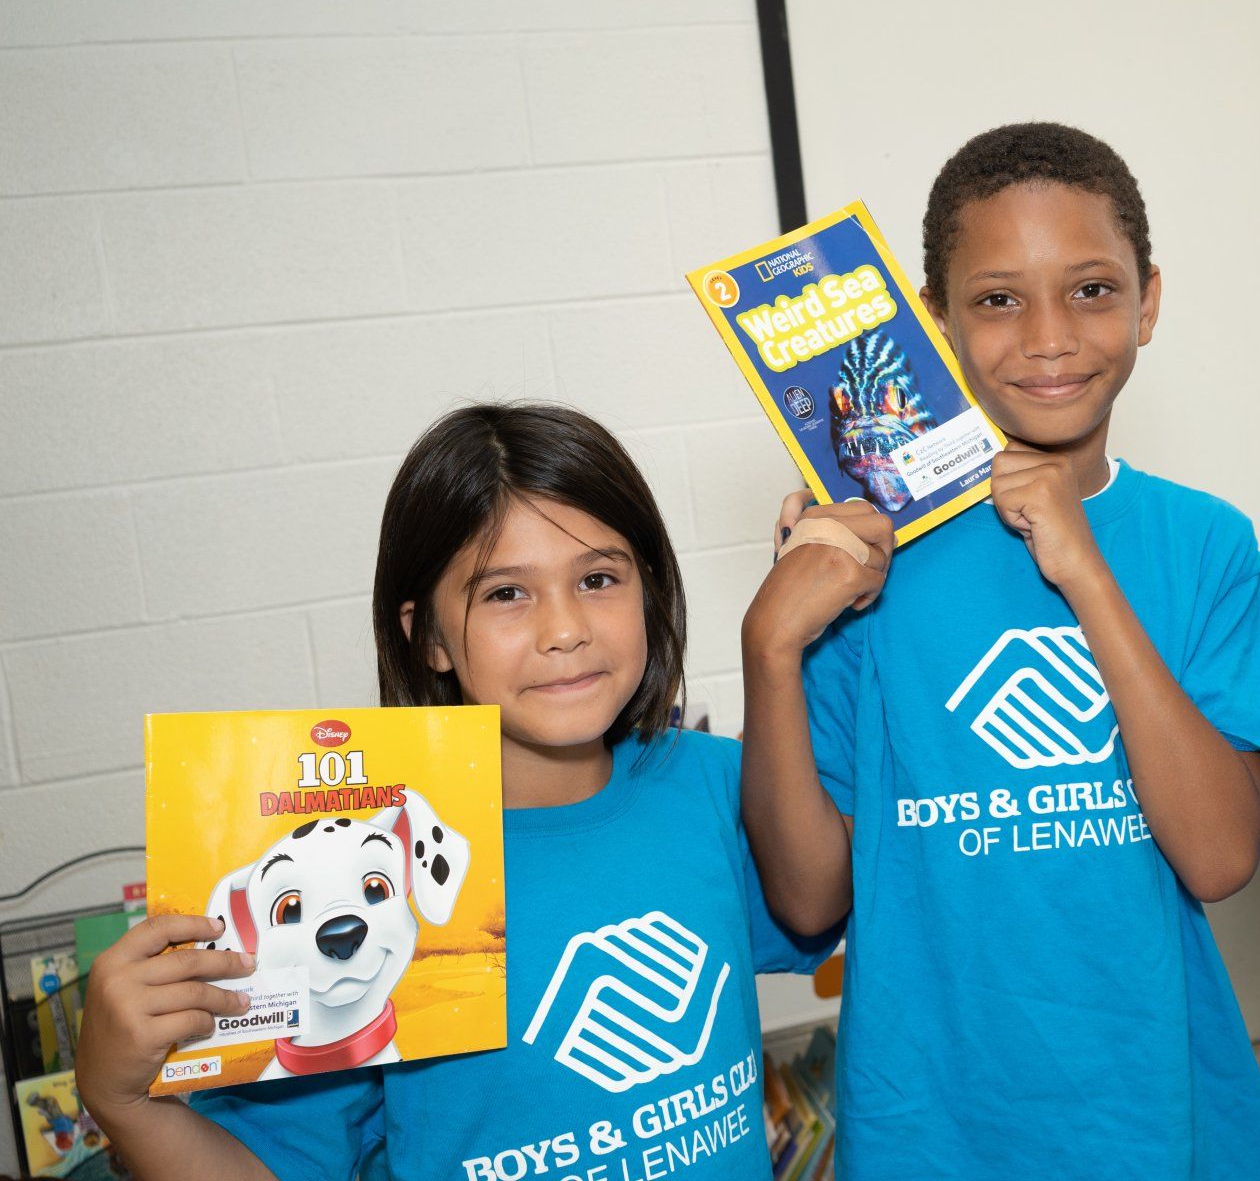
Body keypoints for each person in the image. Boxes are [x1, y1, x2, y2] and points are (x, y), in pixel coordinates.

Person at [740, 123, 1260, 1179]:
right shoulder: (865, 556)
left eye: (1091, 288)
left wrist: (1084, 567)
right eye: (998, 298)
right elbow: (810, 899)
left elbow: (1223, 855)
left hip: (1162, 1115)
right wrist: (770, 646)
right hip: (933, 1125)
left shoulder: (1203, 540)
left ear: (1149, 300)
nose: (1049, 336)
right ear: (935, 320)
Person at [77, 403, 831, 1180]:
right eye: (506, 594)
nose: (564, 628)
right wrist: (121, 1099)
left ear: (649, 589)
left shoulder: (713, 784)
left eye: (599, 578)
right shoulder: (351, 881)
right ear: (429, 637)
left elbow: (840, 901)